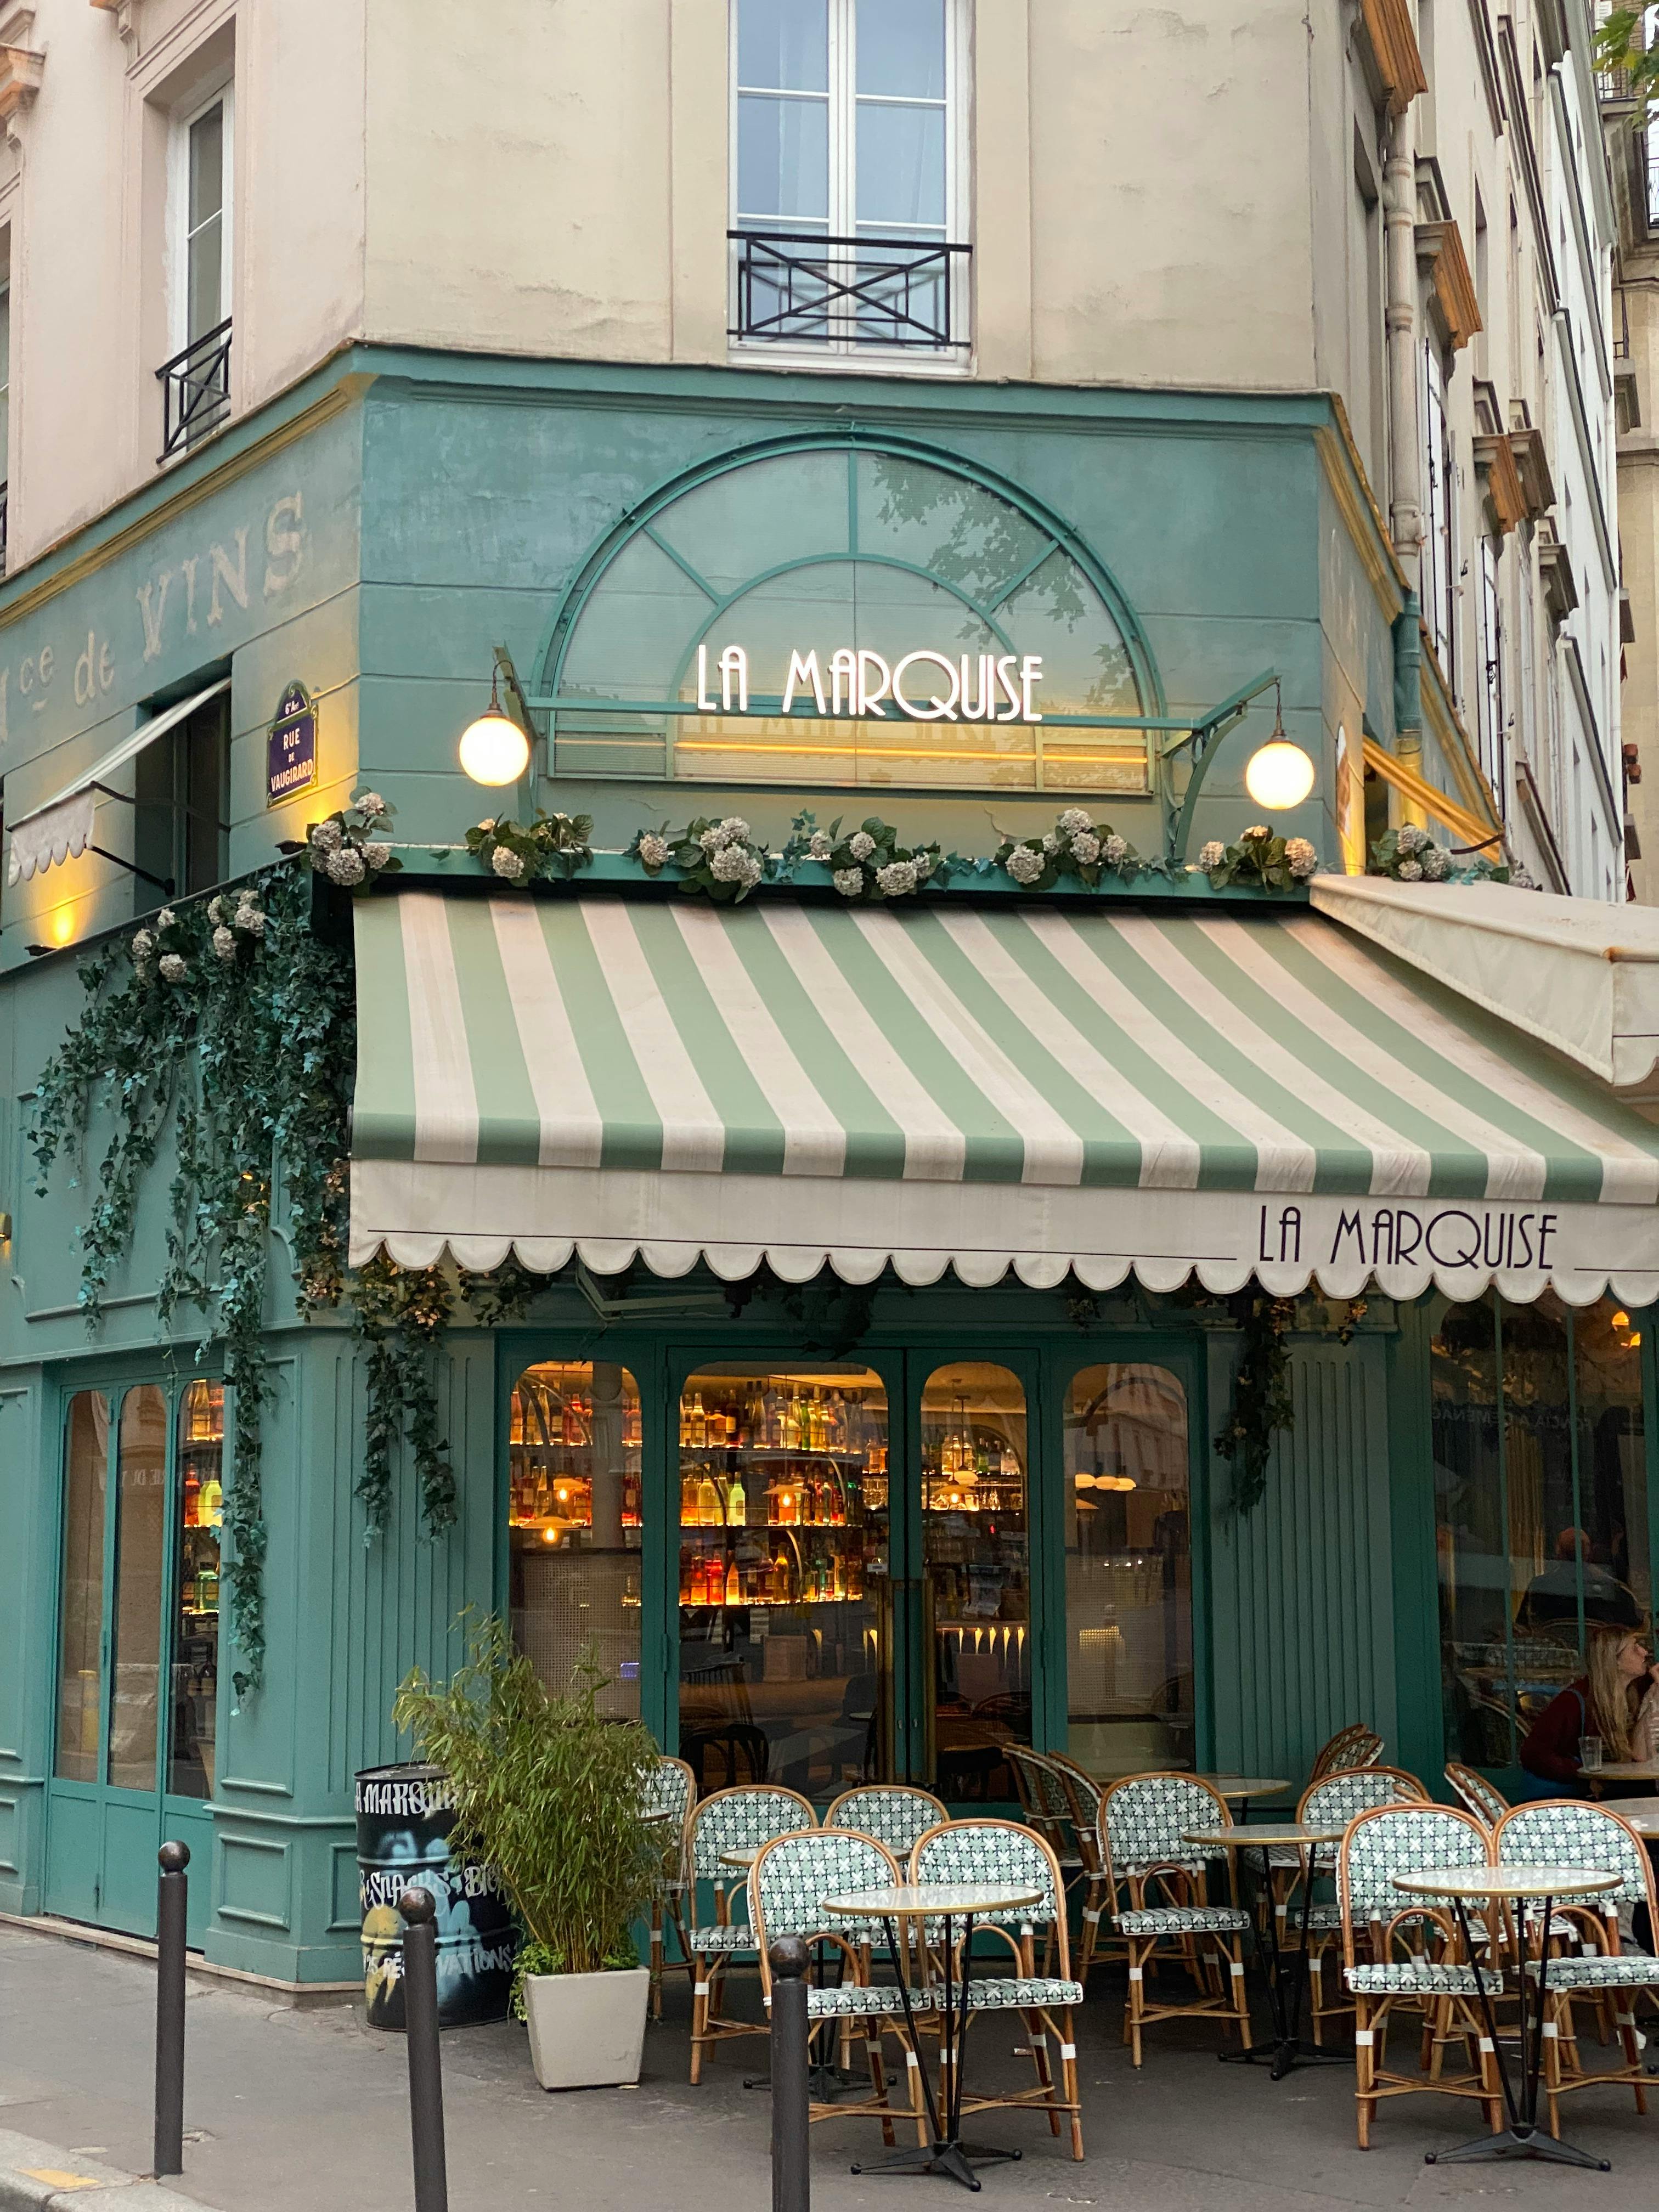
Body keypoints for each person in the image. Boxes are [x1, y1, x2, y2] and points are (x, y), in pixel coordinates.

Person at [1518, 1623, 1659, 1792]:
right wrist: (1582, 1775)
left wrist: (1655, 1693)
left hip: (1612, 1784)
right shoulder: (1573, 1701)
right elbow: (1533, 1754)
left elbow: (1639, 1756)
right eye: (1634, 1648)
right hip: (1574, 1795)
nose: (1644, 1652)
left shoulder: (1637, 1689)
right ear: (1615, 1661)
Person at [1517, 1528, 1643, 1634]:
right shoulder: (1612, 1588)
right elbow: (1634, 1625)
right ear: (1589, 1553)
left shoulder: (1540, 1585)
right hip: (1602, 1657)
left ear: (1558, 1551)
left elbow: (1524, 1625)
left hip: (1555, 1658)